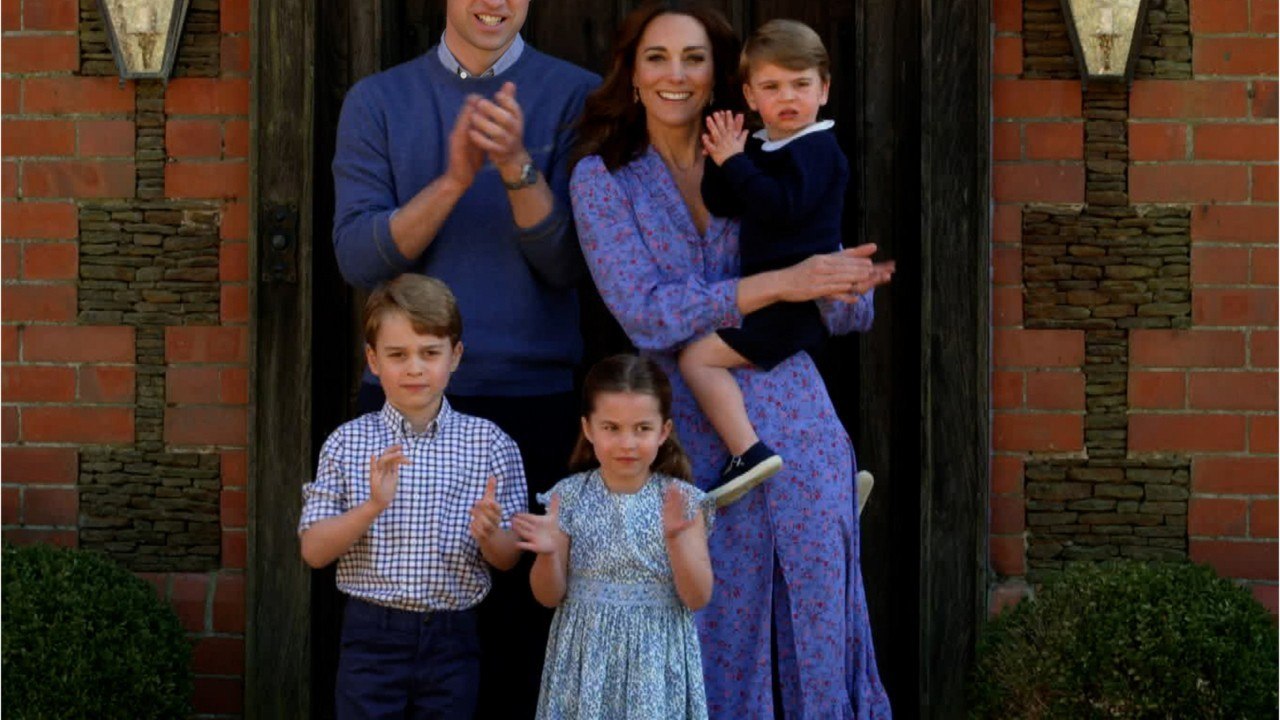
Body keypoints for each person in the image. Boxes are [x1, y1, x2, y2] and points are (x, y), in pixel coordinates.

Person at [568, 2, 894, 717]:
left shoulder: (768, 155)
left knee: (816, 617)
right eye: (657, 57)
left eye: (694, 58)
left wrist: (844, 283)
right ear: (632, 73)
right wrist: (783, 283)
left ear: (721, 78)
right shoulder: (604, 180)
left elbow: (844, 309)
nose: (675, 75)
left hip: (797, 420)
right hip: (684, 433)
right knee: (708, 626)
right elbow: (645, 312)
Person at [329, 1, 600, 713]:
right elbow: (359, 257)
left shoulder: (577, 96)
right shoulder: (379, 100)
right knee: (402, 637)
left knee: (522, 639)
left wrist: (514, 167)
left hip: (534, 404)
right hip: (406, 408)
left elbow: (574, 263)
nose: (493, 3)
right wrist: (453, 179)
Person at [681, 19, 893, 506]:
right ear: (751, 97)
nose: (788, 97)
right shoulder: (764, 146)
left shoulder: (819, 150)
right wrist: (722, 156)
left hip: (794, 303)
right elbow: (724, 202)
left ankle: (746, 453)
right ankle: (838, 483)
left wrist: (737, 162)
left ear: (824, 89)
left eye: (801, 84)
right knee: (803, 400)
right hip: (776, 297)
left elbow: (782, 207)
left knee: (697, 358)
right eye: (772, 87)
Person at [297, 274, 527, 719]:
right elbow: (313, 551)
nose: (415, 368)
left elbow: (509, 559)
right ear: (373, 360)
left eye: (430, 353)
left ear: (455, 356)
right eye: (397, 354)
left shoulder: (490, 444)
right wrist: (372, 507)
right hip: (371, 633)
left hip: (452, 635)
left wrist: (489, 536)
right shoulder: (347, 443)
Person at [512, 354, 714, 719]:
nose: (627, 443)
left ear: (664, 431)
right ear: (588, 429)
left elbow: (698, 596)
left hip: (655, 658)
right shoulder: (568, 497)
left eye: (642, 428)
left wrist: (676, 540)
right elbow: (548, 595)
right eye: (611, 428)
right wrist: (547, 554)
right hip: (585, 658)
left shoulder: (682, 502)